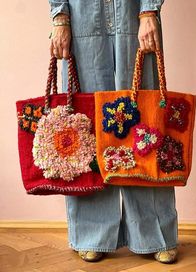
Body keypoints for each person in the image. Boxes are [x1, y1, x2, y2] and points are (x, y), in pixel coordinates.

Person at [48, 0, 178, 264]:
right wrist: (59, 16)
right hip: (82, 16)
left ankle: (155, 234)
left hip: (135, 14)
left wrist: (149, 9)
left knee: (145, 126)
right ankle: (91, 234)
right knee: (87, 127)